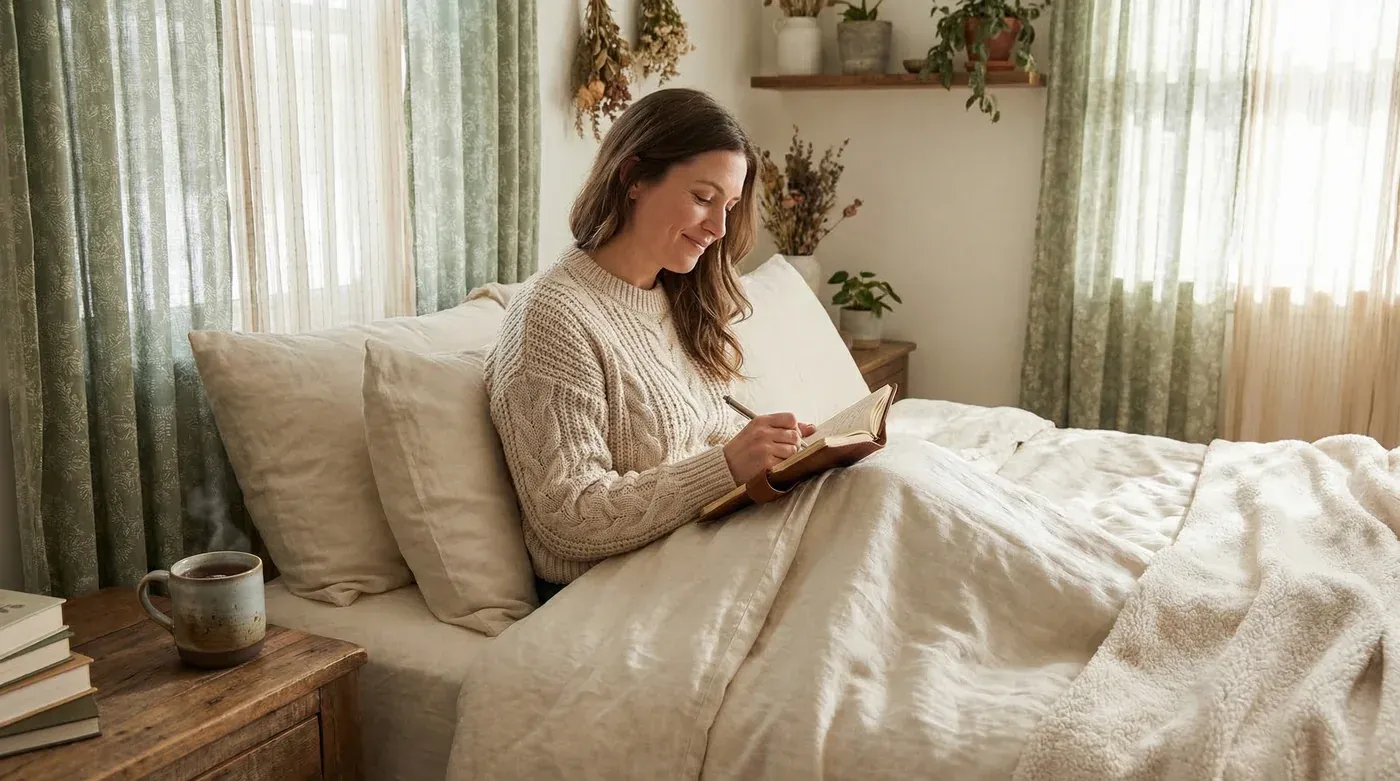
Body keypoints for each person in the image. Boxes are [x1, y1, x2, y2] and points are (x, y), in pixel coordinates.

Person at [486, 88, 814, 597]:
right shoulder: (552, 317)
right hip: (620, 585)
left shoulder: (676, 296)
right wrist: (726, 466)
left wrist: (783, 454)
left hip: (705, 546)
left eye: (728, 206)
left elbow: (705, 432)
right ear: (634, 177)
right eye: (703, 199)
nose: (719, 228)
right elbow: (567, 516)